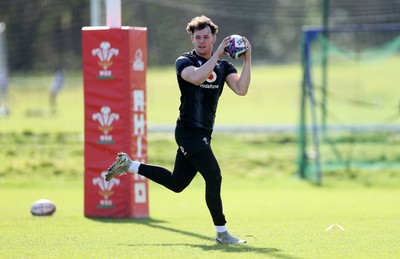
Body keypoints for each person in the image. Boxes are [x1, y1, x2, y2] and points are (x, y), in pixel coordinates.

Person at [105, 15, 252, 244]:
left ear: (214, 38)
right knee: (214, 176)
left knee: (177, 184)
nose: (201, 41)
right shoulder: (185, 60)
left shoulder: (224, 66)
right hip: (188, 132)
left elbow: (241, 89)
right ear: (192, 39)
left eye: (206, 37)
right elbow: (196, 78)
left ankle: (129, 165)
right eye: (197, 37)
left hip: (203, 134)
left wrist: (248, 61)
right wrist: (217, 55)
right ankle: (222, 233)